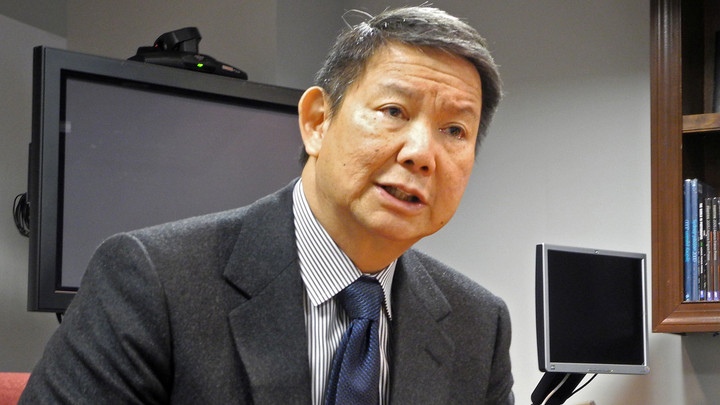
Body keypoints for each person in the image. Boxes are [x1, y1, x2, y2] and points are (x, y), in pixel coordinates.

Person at [20, 6, 513, 404]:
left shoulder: (478, 324)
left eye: (455, 130)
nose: (421, 153)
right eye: (393, 111)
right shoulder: (151, 280)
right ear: (317, 122)